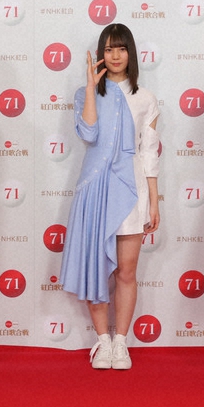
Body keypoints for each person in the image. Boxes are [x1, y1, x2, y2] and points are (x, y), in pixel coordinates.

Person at [59, 23, 160, 370]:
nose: (115, 55)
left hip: (131, 189)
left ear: (130, 53)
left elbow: (149, 153)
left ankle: (121, 342)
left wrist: (154, 199)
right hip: (94, 189)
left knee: (127, 271)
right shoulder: (84, 93)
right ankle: (102, 341)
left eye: (121, 48)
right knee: (96, 269)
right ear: (101, 54)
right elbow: (88, 133)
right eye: (108, 49)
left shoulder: (145, 98)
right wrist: (90, 88)